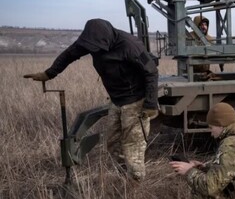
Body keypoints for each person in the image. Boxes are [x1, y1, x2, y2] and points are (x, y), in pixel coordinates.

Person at [23, 18, 159, 181]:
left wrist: (150, 103)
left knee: (133, 148)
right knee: (113, 144)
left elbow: (151, 72)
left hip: (136, 102)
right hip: (116, 101)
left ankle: (135, 188)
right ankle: (124, 179)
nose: (97, 52)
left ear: (107, 39)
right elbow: (69, 54)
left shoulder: (130, 45)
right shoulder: (90, 41)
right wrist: (49, 73)